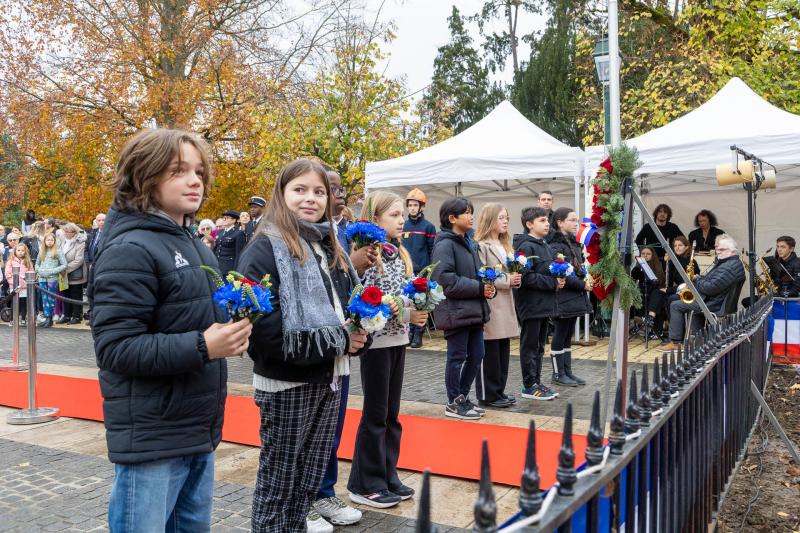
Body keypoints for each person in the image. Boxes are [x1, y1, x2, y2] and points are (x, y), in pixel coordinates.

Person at [89, 128, 252, 531]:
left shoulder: (191, 241)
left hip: (196, 429)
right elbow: (116, 348)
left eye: (198, 170)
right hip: (153, 440)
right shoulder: (131, 247)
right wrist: (203, 345)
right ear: (145, 175)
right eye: (179, 170)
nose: (195, 179)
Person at [237, 159, 368, 533]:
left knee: (306, 484)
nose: (310, 199)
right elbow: (266, 335)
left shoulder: (326, 248)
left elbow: (343, 308)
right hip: (286, 385)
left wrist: (360, 333)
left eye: (319, 191)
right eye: (300, 190)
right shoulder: (263, 250)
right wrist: (341, 339)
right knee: (279, 485)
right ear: (282, 194)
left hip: (329, 377)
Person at [347, 191, 427, 509]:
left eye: (401, 215)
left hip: (397, 340)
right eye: (394, 215)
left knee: (392, 414)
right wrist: (403, 310)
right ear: (375, 218)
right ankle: (364, 483)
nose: (401, 219)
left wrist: (418, 303)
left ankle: (387, 472)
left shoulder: (398, 253)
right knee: (375, 414)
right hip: (376, 344)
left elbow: (401, 294)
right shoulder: (367, 254)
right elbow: (364, 299)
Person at [309, 165, 365, 532]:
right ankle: (303, 498)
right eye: (330, 188)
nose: (338, 194)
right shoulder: (292, 238)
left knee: (332, 428)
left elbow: (346, 294)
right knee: (307, 433)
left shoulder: (341, 233)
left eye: (339, 188)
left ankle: (324, 491)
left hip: (339, 354)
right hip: (307, 355)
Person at [431, 197, 494, 420]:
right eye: (466, 212)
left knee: (477, 354)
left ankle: (463, 398)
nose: (471, 217)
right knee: (457, 357)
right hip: (456, 312)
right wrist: (479, 287)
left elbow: (477, 275)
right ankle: (453, 401)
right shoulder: (445, 244)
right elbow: (445, 280)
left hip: (473, 311)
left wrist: (488, 286)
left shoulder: (468, 242)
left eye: (471, 212)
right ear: (452, 218)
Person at [658, 234, 745, 351]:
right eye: (717, 249)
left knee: (675, 305)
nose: (718, 252)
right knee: (678, 301)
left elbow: (710, 287)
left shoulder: (728, 267)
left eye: (721, 249)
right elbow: (714, 282)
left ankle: (676, 342)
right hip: (716, 300)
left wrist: (697, 279)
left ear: (732, 250)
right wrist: (700, 277)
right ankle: (699, 340)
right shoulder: (730, 263)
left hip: (714, 303)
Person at [513, 207, 563, 400]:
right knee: (530, 346)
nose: (547, 224)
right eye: (542, 220)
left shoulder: (545, 245)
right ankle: (528, 385)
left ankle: (537, 382)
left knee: (540, 346)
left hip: (544, 304)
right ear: (529, 224)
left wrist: (559, 276)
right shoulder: (526, 246)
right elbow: (525, 277)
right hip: (531, 305)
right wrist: (552, 282)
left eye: (547, 220)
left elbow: (547, 269)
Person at [474, 203, 520, 408]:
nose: (505, 221)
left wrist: (516, 278)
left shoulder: (505, 245)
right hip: (491, 304)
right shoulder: (481, 246)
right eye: (501, 217)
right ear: (490, 219)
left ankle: (499, 390)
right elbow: (483, 275)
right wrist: (507, 280)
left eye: (507, 217)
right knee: (489, 352)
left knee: (502, 350)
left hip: (506, 303)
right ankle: (488, 394)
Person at [547, 207, 592, 386]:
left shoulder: (572, 242)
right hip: (563, 296)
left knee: (567, 334)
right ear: (560, 222)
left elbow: (577, 268)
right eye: (572, 220)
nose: (576, 224)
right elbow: (563, 272)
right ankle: (558, 374)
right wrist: (582, 285)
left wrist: (585, 277)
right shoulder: (555, 245)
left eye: (576, 220)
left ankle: (567, 371)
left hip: (574, 296)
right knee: (560, 333)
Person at [401, 188, 436, 348]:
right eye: (410, 205)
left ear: (421, 207)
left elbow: (432, 250)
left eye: (416, 205)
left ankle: (418, 334)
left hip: (422, 271)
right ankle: (408, 332)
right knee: (407, 302)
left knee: (420, 302)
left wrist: (429, 270)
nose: (413, 208)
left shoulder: (428, 227)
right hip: (405, 271)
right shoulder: (404, 225)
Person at [631, 247, 667, 340]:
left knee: (657, 294)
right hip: (643, 294)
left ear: (653, 256)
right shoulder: (638, 268)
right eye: (643, 253)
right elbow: (633, 280)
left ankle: (650, 319)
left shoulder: (658, 267)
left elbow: (660, 284)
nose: (645, 256)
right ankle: (647, 321)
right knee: (638, 295)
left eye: (648, 254)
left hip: (655, 294)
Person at [35, 232, 67, 328]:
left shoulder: (58, 251)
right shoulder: (41, 251)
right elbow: (37, 263)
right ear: (44, 241)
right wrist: (39, 270)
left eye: (51, 240)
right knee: (44, 298)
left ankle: (50, 318)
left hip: (52, 278)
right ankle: (47, 317)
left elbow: (64, 265)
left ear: (54, 241)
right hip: (42, 278)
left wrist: (53, 271)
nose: (49, 242)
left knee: (51, 298)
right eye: (47, 240)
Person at [58, 223, 87, 325]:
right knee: (66, 294)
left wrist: (65, 269)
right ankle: (67, 315)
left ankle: (76, 316)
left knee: (75, 295)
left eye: (68, 232)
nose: (65, 233)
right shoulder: (62, 241)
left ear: (74, 232)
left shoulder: (80, 242)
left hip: (75, 273)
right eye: (64, 231)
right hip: (63, 274)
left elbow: (79, 260)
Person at [4, 243, 33, 325]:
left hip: (25, 287)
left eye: (22, 250)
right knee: (14, 303)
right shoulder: (10, 261)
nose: (20, 252)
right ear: (15, 251)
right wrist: (14, 282)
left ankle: (23, 319)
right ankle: (12, 320)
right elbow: (8, 274)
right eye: (18, 250)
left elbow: (31, 272)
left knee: (24, 303)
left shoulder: (28, 262)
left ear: (25, 251)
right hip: (14, 286)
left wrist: (25, 283)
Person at [213, 209, 245, 275]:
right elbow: (215, 249)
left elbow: (239, 254)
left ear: (234, 220)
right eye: (223, 218)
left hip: (228, 269)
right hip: (217, 267)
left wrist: (235, 271)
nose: (224, 219)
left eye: (226, 218)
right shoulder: (220, 232)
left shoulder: (238, 233)